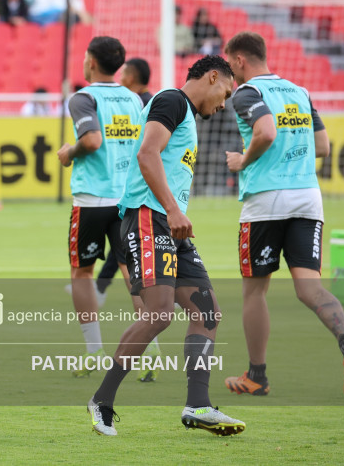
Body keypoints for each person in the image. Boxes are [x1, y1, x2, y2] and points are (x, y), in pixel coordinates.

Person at [87, 55, 245, 437]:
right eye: (226, 93)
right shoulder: (172, 100)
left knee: (207, 311)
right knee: (159, 314)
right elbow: (147, 153)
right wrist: (173, 209)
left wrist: (175, 213)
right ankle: (102, 400)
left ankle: (198, 405)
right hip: (149, 216)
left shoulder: (185, 113)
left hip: (171, 225)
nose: (223, 104)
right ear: (212, 77)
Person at [223, 31, 344, 398]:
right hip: (307, 198)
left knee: (255, 291)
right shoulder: (299, 92)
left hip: (266, 200)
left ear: (240, 60)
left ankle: (257, 376)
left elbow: (266, 132)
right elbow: (323, 146)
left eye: (230, 64)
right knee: (309, 288)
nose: (230, 72)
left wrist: (243, 160)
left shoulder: (247, 92)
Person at [56, 37, 160, 381]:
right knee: (132, 272)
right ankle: (150, 349)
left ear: (90, 61)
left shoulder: (83, 98)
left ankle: (94, 352)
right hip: (127, 198)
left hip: (92, 199)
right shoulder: (134, 99)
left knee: (82, 273)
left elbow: (91, 140)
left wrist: (69, 153)